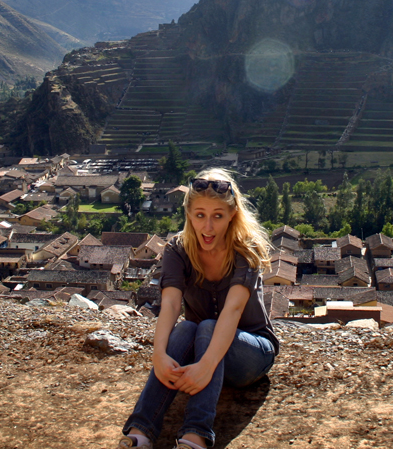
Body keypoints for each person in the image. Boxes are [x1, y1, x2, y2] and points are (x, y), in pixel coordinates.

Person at [118, 168, 278, 449]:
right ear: (189, 215)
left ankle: (195, 435)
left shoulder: (246, 250)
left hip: (251, 354)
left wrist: (206, 365)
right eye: (200, 215)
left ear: (232, 215)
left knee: (206, 325)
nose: (208, 227)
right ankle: (140, 432)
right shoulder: (177, 250)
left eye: (218, 216)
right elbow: (169, 303)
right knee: (187, 327)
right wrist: (158, 356)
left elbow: (233, 310)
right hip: (203, 350)